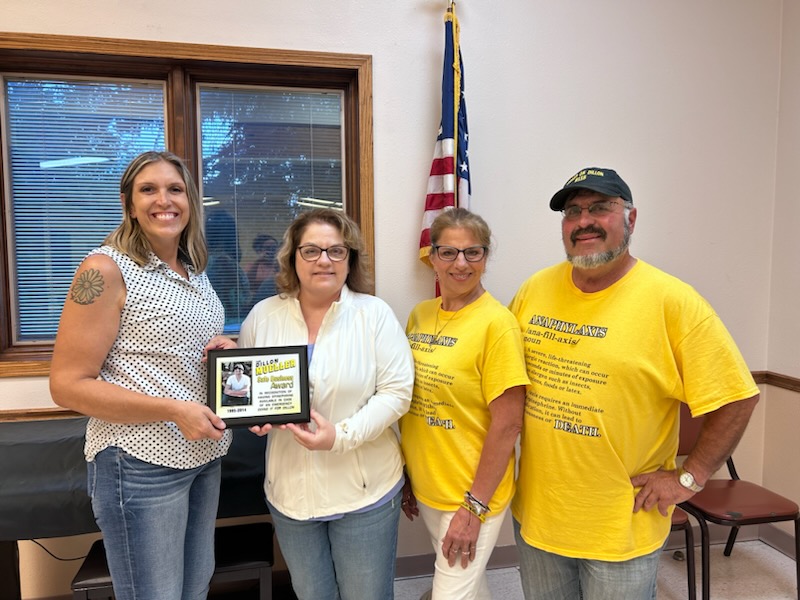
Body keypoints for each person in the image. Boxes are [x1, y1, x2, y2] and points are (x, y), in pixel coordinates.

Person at [508, 167, 759, 600]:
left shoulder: (673, 302)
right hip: (539, 519)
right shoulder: (534, 289)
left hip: (621, 527)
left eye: (601, 207)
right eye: (573, 211)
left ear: (631, 218)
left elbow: (737, 397)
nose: (584, 220)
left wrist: (688, 479)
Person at [49, 151, 233, 600]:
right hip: (140, 466)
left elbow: (175, 356)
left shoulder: (192, 270)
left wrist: (224, 353)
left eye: (175, 189)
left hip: (203, 456)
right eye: (148, 189)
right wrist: (173, 410)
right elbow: (67, 385)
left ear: (189, 200)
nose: (163, 200)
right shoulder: (104, 269)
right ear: (128, 204)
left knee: (194, 589)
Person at [240, 208, 414, 600]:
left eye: (337, 251)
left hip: (364, 493)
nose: (324, 260)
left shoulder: (375, 315)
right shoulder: (262, 316)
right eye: (311, 250)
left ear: (349, 259)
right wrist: (256, 414)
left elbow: (397, 392)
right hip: (290, 496)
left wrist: (342, 435)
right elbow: (250, 388)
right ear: (292, 258)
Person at [400, 208, 529, 599]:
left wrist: (473, 508)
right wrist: (408, 472)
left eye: (473, 252)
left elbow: (508, 424)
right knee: (470, 588)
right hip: (429, 482)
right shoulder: (420, 315)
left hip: (472, 494)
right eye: (449, 252)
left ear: (485, 258)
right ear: (432, 257)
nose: (461, 263)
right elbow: (413, 402)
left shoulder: (497, 324)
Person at [246, 233, 280, 299]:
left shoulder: (280, 266)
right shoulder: (253, 266)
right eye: (267, 248)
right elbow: (247, 283)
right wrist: (259, 260)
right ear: (259, 251)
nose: (271, 251)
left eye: (274, 248)